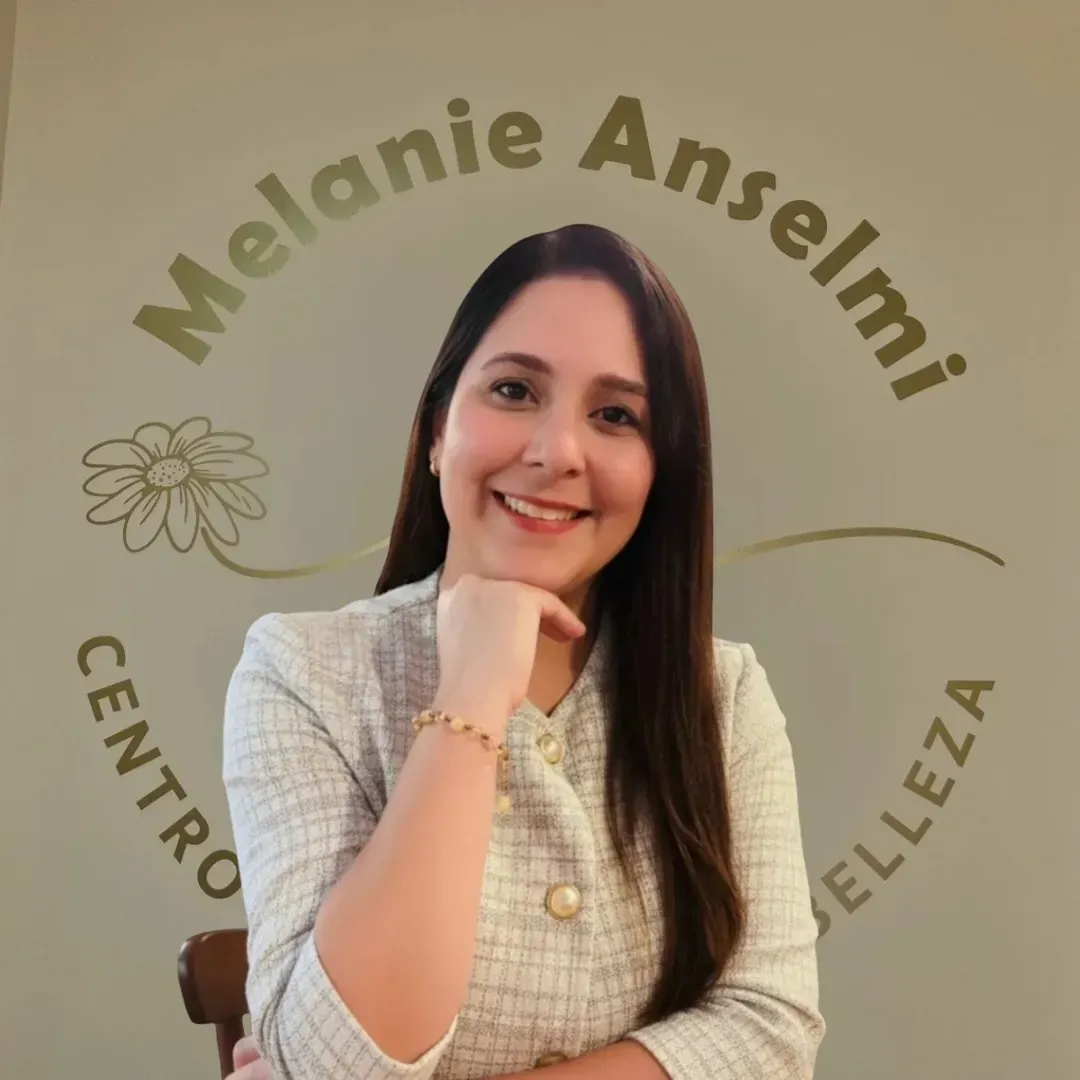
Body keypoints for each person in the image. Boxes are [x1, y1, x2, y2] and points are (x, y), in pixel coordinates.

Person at [220, 223, 825, 1080]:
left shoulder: (722, 693)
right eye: (513, 390)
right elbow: (336, 1063)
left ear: (662, 472)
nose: (555, 452)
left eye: (615, 415)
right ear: (436, 432)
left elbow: (770, 1031)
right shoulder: (303, 671)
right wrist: (471, 691)